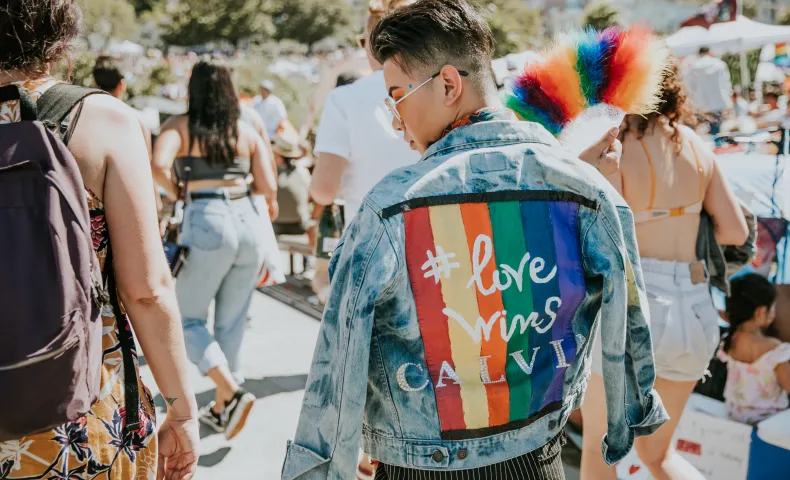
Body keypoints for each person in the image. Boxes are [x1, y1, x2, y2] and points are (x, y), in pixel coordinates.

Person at [281, 2, 667, 479]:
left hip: (421, 467)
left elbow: (336, 366)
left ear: (448, 84)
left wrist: (319, 468)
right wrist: (629, 413)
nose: (395, 119)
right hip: (540, 455)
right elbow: (628, 319)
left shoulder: (388, 207)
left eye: (397, 96)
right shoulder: (584, 189)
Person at [0, 0, 198, 478]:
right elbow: (146, 291)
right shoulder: (103, 119)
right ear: (59, 29)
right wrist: (182, 410)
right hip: (74, 400)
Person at [579, 63, 748, 480]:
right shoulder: (697, 146)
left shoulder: (613, 147)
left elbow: (597, 230)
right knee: (659, 458)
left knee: (601, 456)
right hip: (696, 312)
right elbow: (735, 231)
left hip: (635, 310)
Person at [152, 60, 279, 440]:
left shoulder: (180, 126)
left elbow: (157, 165)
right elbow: (268, 187)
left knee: (186, 319)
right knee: (233, 321)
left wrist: (179, 192)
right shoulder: (248, 129)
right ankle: (225, 406)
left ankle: (229, 391)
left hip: (207, 218)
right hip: (249, 223)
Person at [719, 274, 790, 425]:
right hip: (768, 422)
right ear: (760, 312)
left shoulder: (730, 341)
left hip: (734, 415)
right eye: (772, 307)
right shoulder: (773, 348)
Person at [271, 125, 312, 236]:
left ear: (278, 155)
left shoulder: (272, 173)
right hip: (300, 226)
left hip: (277, 225)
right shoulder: (303, 172)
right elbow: (308, 197)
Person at [685, 47, 733, 135]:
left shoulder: (694, 67)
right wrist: (729, 103)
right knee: (718, 134)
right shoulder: (720, 65)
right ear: (709, 52)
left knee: (701, 135)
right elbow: (726, 85)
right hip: (718, 104)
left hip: (700, 106)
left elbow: (689, 87)